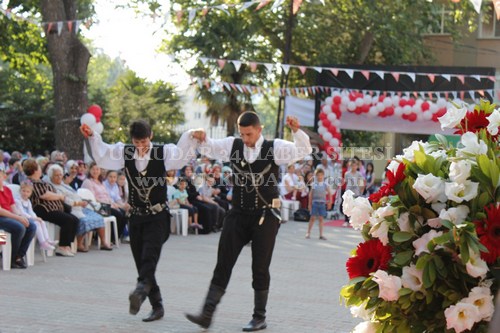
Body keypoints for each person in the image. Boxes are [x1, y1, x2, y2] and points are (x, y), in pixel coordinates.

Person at [185, 112, 312, 331]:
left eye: (249, 134)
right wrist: (201, 137)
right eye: (242, 134)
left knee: (260, 267)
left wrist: (296, 131)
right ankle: (207, 313)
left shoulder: (275, 147)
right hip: (238, 213)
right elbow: (210, 147)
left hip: (265, 216)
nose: (245, 139)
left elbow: (303, 150)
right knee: (223, 262)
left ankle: (259, 317)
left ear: (259, 129)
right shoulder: (232, 145)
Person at [81, 119, 197, 322]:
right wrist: (92, 136)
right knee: (142, 263)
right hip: (136, 217)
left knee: (149, 258)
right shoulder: (124, 152)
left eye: (144, 141)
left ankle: (141, 291)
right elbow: (103, 154)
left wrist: (190, 136)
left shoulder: (163, 152)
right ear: (132, 140)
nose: (141, 146)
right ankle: (156, 304)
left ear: (150, 136)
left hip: (158, 216)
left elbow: (181, 156)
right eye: (137, 142)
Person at [47, 164, 112, 252]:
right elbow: (65, 200)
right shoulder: (52, 187)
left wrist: (82, 202)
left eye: (60, 175)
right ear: (51, 176)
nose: (59, 177)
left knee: (99, 217)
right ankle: (79, 244)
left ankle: (103, 242)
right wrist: (78, 203)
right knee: (83, 220)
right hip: (71, 208)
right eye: (56, 175)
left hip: (80, 206)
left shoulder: (64, 184)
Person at [23, 158, 79, 257]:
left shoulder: (39, 181)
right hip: (43, 209)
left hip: (51, 208)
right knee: (68, 219)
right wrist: (60, 197)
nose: (41, 169)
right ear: (35, 170)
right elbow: (44, 195)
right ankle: (61, 247)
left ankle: (66, 246)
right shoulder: (30, 182)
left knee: (75, 219)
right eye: (39, 167)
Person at [0, 166, 37, 268]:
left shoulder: (7, 190)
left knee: (31, 225)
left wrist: (20, 216)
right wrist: (17, 218)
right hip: (1, 218)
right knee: (19, 227)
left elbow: (13, 207)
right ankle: (11, 258)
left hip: (9, 216)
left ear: (3, 176)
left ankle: (18, 256)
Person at [15, 180, 56, 251]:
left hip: (25, 218)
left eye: (27, 192)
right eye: (23, 191)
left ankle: (47, 240)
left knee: (41, 222)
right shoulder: (17, 200)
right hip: (21, 218)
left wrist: (36, 217)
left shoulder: (28, 201)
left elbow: (31, 211)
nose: (25, 193)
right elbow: (21, 212)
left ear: (31, 193)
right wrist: (34, 218)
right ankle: (42, 243)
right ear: (20, 191)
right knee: (36, 224)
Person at [305, 168, 332, 240]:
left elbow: (329, 193)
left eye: (321, 175)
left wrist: (330, 202)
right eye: (318, 175)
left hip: (322, 203)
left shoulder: (325, 184)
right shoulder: (314, 184)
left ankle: (321, 234)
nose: (319, 177)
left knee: (321, 219)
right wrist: (309, 204)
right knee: (312, 218)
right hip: (315, 203)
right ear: (316, 176)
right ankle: (308, 232)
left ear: (323, 175)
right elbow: (310, 195)